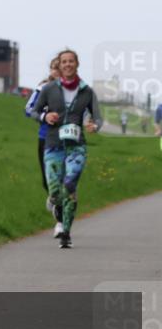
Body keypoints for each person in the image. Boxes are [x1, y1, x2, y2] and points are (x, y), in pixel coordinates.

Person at [29, 49, 103, 249]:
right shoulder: (49, 89)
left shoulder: (87, 91)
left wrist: (94, 125)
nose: (68, 64)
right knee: (55, 190)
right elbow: (34, 111)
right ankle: (54, 202)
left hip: (76, 146)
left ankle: (66, 232)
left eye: (71, 61)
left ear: (77, 64)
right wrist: (45, 117)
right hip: (53, 144)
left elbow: (97, 117)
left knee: (69, 185)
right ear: (59, 66)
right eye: (64, 62)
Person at [25, 59, 64, 234]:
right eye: (54, 68)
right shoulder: (42, 88)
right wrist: (44, 116)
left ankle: (61, 223)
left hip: (68, 139)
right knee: (47, 180)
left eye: (60, 68)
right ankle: (53, 197)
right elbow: (28, 109)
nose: (57, 71)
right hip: (46, 138)